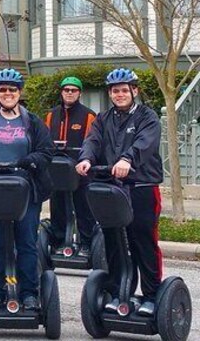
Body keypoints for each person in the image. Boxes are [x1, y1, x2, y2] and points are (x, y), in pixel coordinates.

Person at [76, 68, 163, 316]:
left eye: (125, 90)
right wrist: (86, 159)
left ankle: (152, 295)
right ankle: (117, 292)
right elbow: (92, 140)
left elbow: (145, 144)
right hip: (111, 187)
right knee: (113, 240)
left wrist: (127, 159)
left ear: (134, 91)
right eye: (115, 91)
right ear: (110, 93)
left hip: (141, 187)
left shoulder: (148, 117)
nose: (120, 94)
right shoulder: (104, 119)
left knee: (142, 241)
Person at [0, 68, 53, 311]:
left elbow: (46, 151)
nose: (7, 94)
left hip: (26, 190)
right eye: (2, 90)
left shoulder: (32, 121)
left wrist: (29, 160)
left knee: (26, 242)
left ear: (19, 92)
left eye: (11, 90)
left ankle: (28, 293)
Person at [45, 76, 97, 256]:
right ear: (61, 92)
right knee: (57, 207)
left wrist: (85, 159)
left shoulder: (88, 115)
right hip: (57, 169)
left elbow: (92, 141)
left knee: (83, 207)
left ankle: (86, 244)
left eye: (73, 90)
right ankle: (59, 242)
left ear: (79, 93)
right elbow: (45, 140)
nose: (69, 93)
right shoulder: (52, 114)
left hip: (79, 170)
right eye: (66, 90)